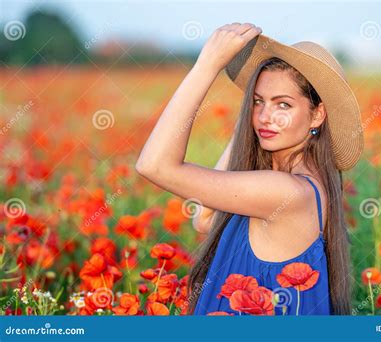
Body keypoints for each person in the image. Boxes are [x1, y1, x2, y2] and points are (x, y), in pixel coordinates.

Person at [135, 22, 364, 315]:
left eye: (283, 105)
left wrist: (207, 66)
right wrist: (250, 123)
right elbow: (204, 219)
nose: (266, 116)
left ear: (318, 115)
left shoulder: (288, 192)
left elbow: (154, 165)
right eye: (258, 102)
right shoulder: (297, 183)